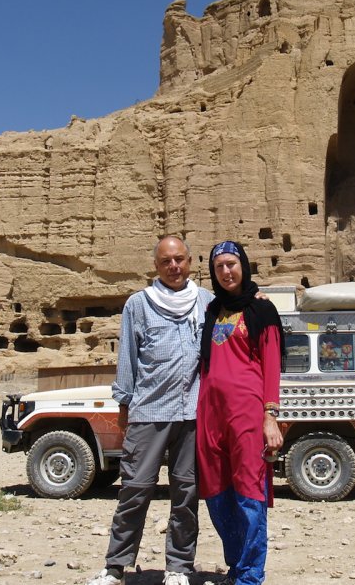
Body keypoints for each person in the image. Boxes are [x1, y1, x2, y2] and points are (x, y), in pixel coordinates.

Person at [87, 236, 214, 585]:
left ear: (190, 262)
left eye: (179, 260)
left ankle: (179, 567)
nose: (174, 267)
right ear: (156, 266)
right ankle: (115, 566)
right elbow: (127, 358)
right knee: (135, 489)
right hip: (148, 411)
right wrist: (124, 404)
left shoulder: (207, 303)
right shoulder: (138, 304)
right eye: (166, 262)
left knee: (186, 494)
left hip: (192, 414)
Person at [197, 240, 284, 585]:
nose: (226, 272)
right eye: (219, 267)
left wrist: (270, 416)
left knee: (250, 493)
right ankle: (235, 564)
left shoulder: (262, 310)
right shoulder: (211, 310)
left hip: (248, 415)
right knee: (217, 494)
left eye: (231, 264)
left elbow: (273, 365)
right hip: (210, 414)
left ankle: (250, 576)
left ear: (244, 266)